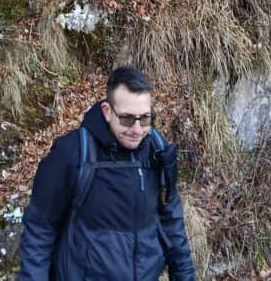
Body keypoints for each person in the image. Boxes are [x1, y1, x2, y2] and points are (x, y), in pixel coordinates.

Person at [19, 66, 196, 281]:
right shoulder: (72, 155)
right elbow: (39, 229)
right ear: (107, 111)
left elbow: (171, 220)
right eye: (127, 119)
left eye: (146, 118)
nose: (138, 130)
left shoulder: (157, 150)